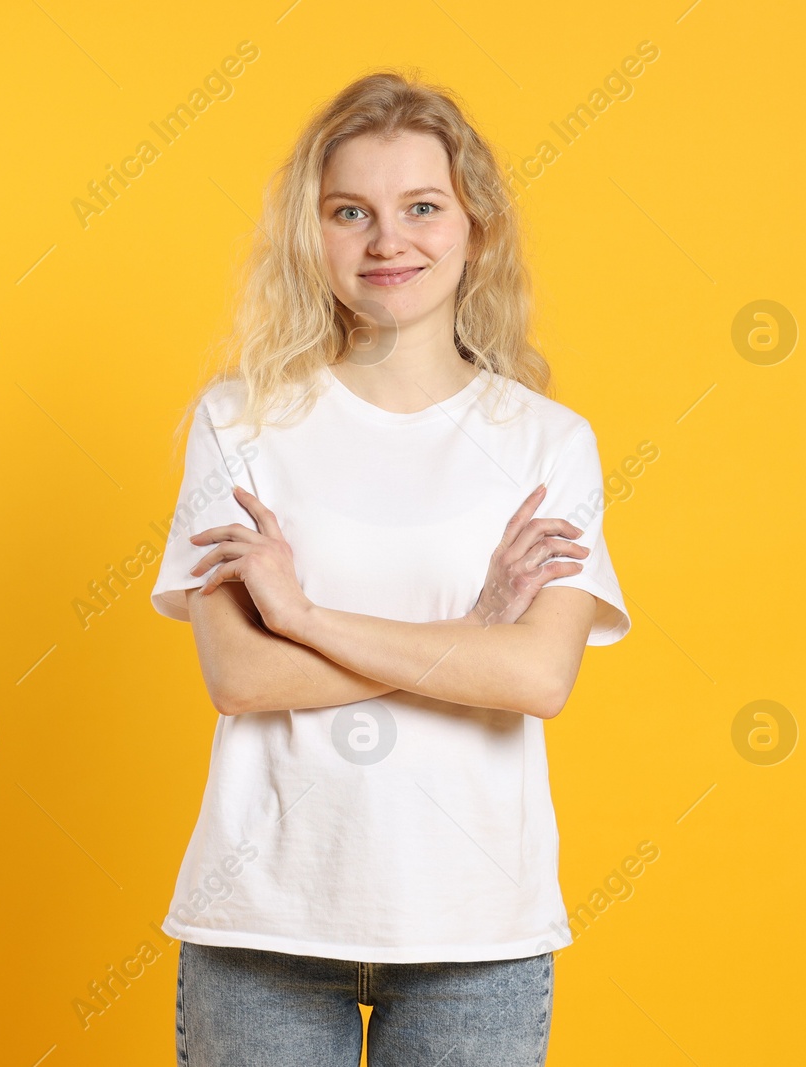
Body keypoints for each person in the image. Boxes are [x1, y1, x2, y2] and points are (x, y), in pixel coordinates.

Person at [149, 69, 632, 1066]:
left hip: (475, 926)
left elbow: (537, 678)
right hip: (264, 922)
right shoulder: (239, 421)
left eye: (421, 206)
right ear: (310, 233)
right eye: (348, 212)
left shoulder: (546, 441)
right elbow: (242, 678)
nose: (387, 241)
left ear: (475, 228)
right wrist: (477, 631)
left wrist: (307, 615)